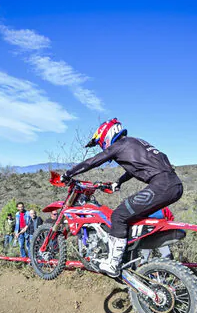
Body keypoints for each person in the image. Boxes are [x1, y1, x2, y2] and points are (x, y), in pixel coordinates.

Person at [63, 118, 183, 276]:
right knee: (132, 218)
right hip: (174, 184)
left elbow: (93, 161)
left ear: (107, 135)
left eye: (101, 142)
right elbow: (136, 168)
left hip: (161, 185)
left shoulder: (119, 145)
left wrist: (69, 173)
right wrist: (118, 181)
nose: (102, 146)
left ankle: (113, 263)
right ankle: (128, 255)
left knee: (119, 215)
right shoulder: (135, 143)